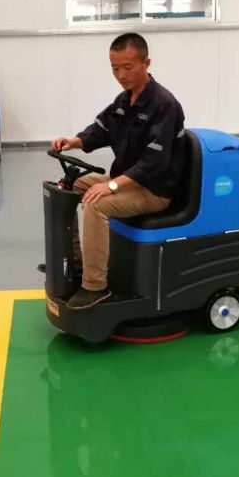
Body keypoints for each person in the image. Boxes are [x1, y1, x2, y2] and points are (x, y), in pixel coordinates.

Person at [52, 33, 186, 310]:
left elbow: (153, 162)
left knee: (96, 204)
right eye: (115, 68)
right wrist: (72, 141)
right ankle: (75, 261)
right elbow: (100, 129)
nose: (121, 75)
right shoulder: (124, 101)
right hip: (126, 181)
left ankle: (95, 287)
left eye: (128, 67)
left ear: (146, 63)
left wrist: (111, 186)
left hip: (153, 189)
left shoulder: (164, 104)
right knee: (65, 187)